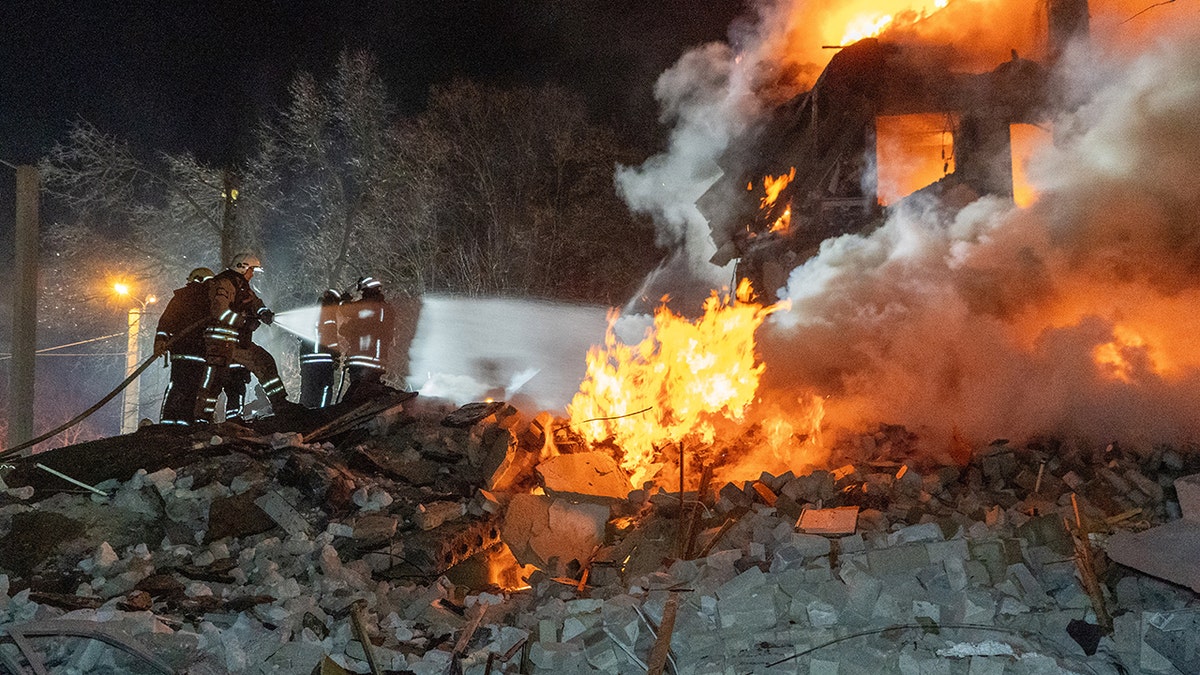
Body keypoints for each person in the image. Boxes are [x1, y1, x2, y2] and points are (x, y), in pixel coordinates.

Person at [196, 252, 303, 421]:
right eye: (251, 270)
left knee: (264, 361)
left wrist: (264, 313)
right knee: (214, 380)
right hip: (219, 341)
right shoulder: (223, 284)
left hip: (236, 342)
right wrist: (244, 323)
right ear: (242, 267)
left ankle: (280, 403)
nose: (252, 274)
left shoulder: (242, 286)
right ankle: (202, 418)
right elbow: (220, 312)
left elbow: (255, 304)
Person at [154, 267, 214, 425]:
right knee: (193, 388)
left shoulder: (181, 297)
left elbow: (165, 322)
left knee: (178, 385)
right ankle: (184, 422)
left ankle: (169, 421)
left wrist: (161, 340)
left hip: (181, 351)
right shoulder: (211, 299)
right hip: (200, 352)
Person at [339, 276, 395, 403]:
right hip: (379, 360)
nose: (362, 295)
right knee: (370, 391)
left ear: (367, 290)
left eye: (363, 292)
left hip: (362, 359)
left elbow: (346, 311)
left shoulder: (367, 306)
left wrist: (344, 301)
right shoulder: (386, 308)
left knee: (356, 394)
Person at [299, 288, 343, 408]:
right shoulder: (328, 313)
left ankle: (303, 417)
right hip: (322, 360)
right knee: (325, 389)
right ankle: (321, 415)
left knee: (308, 391)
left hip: (307, 361)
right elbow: (331, 337)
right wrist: (336, 356)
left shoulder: (311, 312)